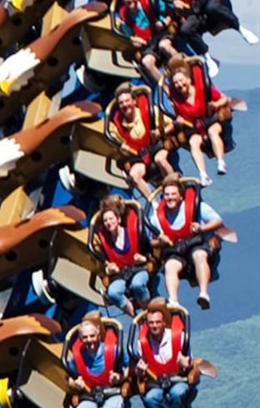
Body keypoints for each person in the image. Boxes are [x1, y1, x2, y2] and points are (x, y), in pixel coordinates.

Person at [146, 174, 223, 308]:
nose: (170, 197)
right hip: (175, 250)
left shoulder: (196, 207)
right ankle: (173, 301)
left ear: (181, 196)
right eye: (167, 194)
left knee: (199, 255)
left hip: (196, 244)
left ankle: (203, 293)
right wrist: (160, 242)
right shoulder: (157, 217)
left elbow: (218, 221)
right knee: (170, 266)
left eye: (173, 194)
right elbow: (149, 242)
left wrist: (201, 228)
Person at [132, 299, 195, 408]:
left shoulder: (178, 337)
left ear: (164, 323)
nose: (154, 326)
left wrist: (186, 363)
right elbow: (140, 368)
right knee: (151, 398)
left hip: (177, 378)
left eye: (158, 322)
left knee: (178, 393)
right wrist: (140, 370)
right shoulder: (143, 342)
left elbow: (189, 362)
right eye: (151, 323)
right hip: (156, 381)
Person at [65, 316, 130, 408]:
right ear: (80, 339)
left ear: (99, 336)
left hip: (111, 392)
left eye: (92, 336)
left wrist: (120, 377)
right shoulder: (77, 358)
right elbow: (68, 378)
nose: (89, 340)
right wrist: (76, 384)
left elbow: (128, 368)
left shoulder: (114, 350)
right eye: (85, 338)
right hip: (89, 395)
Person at [105, 83, 174, 194]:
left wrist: (160, 132)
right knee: (133, 174)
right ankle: (153, 202)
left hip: (157, 148)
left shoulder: (149, 112)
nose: (124, 105)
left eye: (127, 101)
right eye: (121, 103)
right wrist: (124, 151)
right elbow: (123, 150)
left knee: (160, 159)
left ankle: (175, 184)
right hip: (141, 157)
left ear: (134, 101)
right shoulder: (120, 126)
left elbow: (172, 124)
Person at [92, 196, 153, 315]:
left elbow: (149, 251)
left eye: (111, 219)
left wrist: (143, 259)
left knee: (137, 284)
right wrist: (108, 269)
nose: (108, 223)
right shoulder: (104, 241)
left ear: (118, 219)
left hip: (138, 268)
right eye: (105, 221)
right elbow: (103, 262)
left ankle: (148, 311)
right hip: (120, 274)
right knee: (113, 292)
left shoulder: (134, 231)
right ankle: (134, 315)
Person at [112, 0, 179, 85]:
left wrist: (165, 22)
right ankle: (165, 88)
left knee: (164, 45)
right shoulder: (125, 17)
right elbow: (130, 36)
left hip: (161, 34)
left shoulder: (150, 2)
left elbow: (169, 12)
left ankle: (182, 65)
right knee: (146, 62)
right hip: (149, 44)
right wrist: (134, 40)